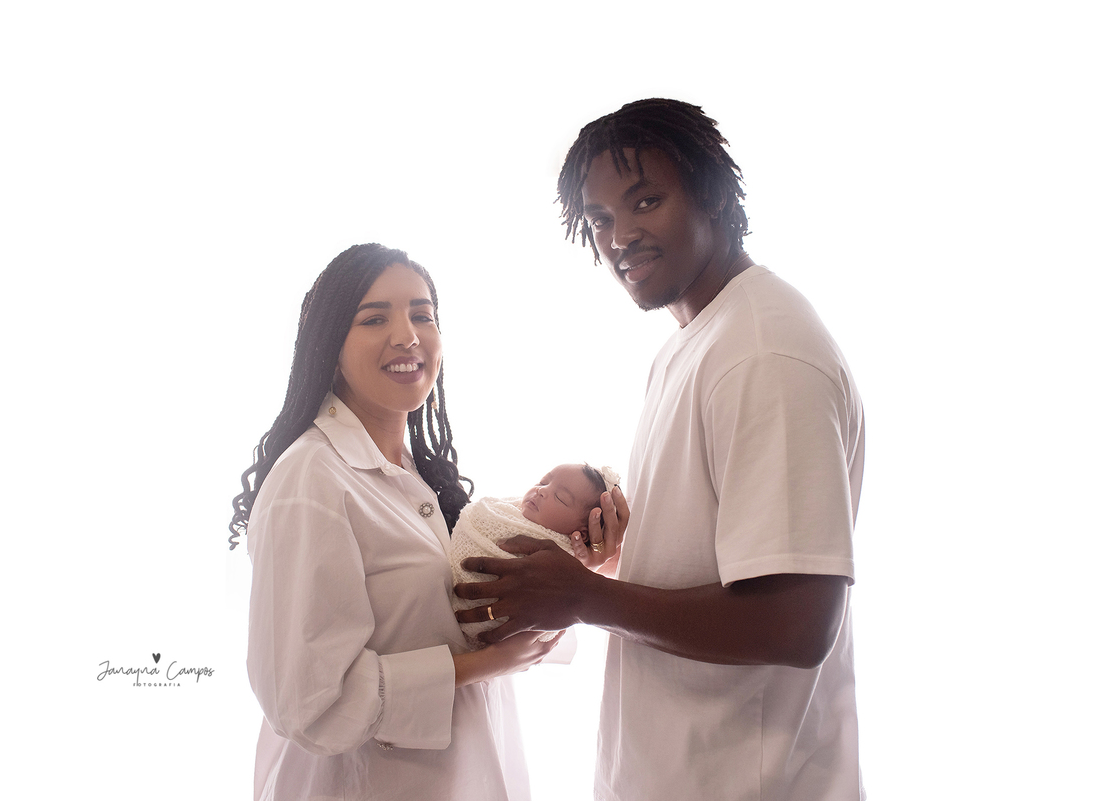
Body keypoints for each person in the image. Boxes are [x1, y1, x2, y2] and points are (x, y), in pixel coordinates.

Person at [454, 99, 866, 800]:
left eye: (646, 200)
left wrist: (585, 597)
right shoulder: (695, 342)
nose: (621, 236)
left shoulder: (764, 352)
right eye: (600, 218)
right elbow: (714, 563)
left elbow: (797, 623)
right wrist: (613, 565)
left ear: (712, 194)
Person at [229, 243, 561, 801]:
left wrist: (584, 558)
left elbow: (464, 616)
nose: (407, 335)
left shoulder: (419, 475)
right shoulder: (310, 481)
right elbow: (307, 702)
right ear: (330, 346)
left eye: (422, 315)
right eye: (374, 318)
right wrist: (483, 664)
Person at [451, 463, 619, 649]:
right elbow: (474, 517)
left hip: (498, 642)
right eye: (543, 482)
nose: (542, 491)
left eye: (560, 497)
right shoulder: (500, 511)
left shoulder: (564, 560)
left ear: (582, 533)